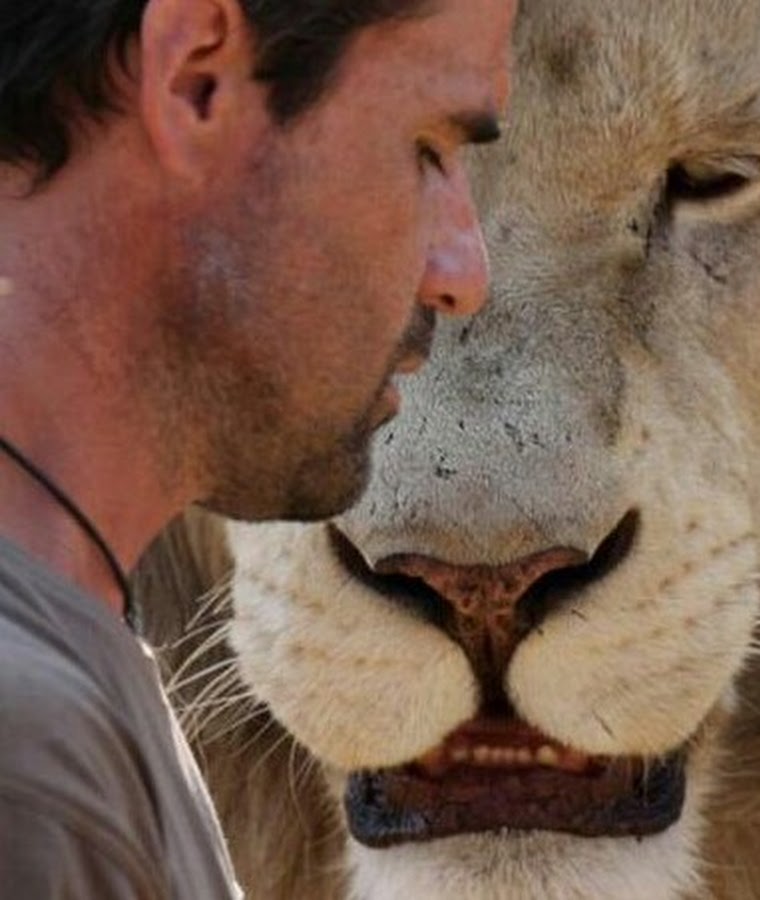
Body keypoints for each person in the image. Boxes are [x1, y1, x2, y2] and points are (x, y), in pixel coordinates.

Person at [0, 0, 516, 895]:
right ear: (195, 77)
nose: (463, 275)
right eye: (428, 149)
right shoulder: (29, 762)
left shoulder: (61, 678)